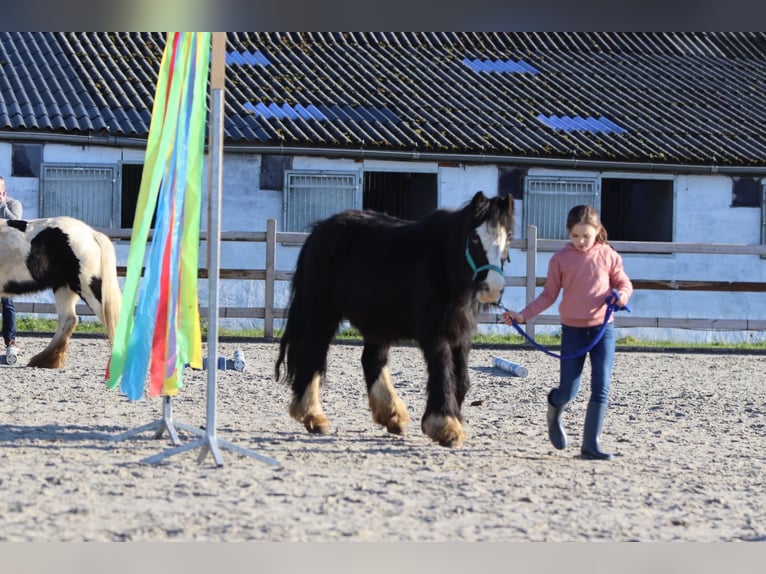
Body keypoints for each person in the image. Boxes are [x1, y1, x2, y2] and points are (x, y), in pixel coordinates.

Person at [503, 205, 633, 460]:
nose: (581, 241)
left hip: (603, 329)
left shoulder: (609, 255)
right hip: (573, 331)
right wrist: (522, 315)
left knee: (601, 386)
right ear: (569, 233)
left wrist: (623, 296)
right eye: (575, 236)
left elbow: (623, 282)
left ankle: (590, 445)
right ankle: (554, 407)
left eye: (586, 235)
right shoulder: (560, 259)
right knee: (568, 391)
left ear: (597, 231)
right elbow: (549, 295)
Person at [0, 176, 22, 358]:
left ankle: (10, 341)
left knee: (7, 302)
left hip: (7, 260)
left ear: (4, 190)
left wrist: (1, 205)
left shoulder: (14, 204)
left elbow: (16, 224)